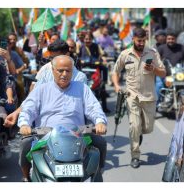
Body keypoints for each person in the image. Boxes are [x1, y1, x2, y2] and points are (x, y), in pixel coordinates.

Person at [18, 55, 107, 181]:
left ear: (72, 71)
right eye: (60, 70)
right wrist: (24, 124)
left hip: (78, 134)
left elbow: (94, 108)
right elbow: (28, 109)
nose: (64, 74)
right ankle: (27, 176)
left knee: (100, 142)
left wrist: (100, 122)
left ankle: (97, 173)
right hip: (45, 136)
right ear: (53, 70)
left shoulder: (82, 88)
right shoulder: (41, 89)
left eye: (68, 71)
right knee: (25, 143)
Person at [112, 27, 166, 168]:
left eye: (143, 41)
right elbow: (115, 71)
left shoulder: (153, 53)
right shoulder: (125, 54)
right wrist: (117, 86)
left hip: (149, 97)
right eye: (139, 41)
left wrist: (154, 69)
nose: (141, 43)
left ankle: (138, 134)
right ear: (133, 39)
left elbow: (163, 73)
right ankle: (135, 155)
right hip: (132, 96)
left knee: (147, 128)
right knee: (134, 125)